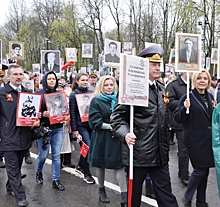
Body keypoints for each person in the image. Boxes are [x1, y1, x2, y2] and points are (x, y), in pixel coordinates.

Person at [110, 45, 178, 207]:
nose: (158, 68)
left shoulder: (162, 89)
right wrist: (125, 133)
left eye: (159, 64)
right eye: (153, 64)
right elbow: (117, 118)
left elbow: (166, 117)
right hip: (138, 154)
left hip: (160, 154)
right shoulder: (131, 89)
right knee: (133, 198)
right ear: (144, 66)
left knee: (166, 196)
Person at [0, 64, 41, 206]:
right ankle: (21, 197)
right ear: (8, 76)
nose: (18, 77)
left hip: (24, 136)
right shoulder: (2, 93)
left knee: (17, 166)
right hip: (8, 136)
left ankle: (10, 186)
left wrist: (37, 115)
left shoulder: (28, 92)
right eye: (15, 74)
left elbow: (33, 113)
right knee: (12, 167)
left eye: (20, 74)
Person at [174, 69, 215, 207]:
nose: (202, 80)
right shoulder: (188, 97)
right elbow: (177, 117)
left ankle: (201, 201)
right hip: (195, 140)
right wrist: (185, 108)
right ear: (194, 81)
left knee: (205, 171)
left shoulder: (210, 96)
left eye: (205, 78)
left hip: (208, 140)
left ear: (208, 81)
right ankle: (188, 196)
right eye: (199, 78)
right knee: (200, 170)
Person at [88, 75, 127, 205]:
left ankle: (124, 194)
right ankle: (101, 190)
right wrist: (113, 126)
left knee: (119, 166)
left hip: (116, 138)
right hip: (102, 137)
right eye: (106, 85)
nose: (109, 87)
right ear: (101, 86)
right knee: (100, 165)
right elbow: (94, 122)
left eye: (111, 85)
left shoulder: (119, 99)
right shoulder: (96, 101)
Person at [35, 71, 65, 191]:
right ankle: (38, 171)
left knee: (56, 155)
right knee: (43, 155)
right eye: (49, 79)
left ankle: (55, 180)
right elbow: (33, 111)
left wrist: (65, 116)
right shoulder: (38, 94)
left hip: (57, 128)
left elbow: (63, 110)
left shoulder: (60, 94)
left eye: (54, 79)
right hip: (44, 129)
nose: (52, 80)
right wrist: (43, 114)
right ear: (45, 80)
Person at [69, 72, 95, 184]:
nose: (85, 82)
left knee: (88, 148)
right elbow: (73, 114)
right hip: (81, 126)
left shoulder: (92, 93)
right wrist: (75, 130)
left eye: (86, 80)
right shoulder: (73, 95)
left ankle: (80, 165)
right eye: (82, 80)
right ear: (77, 81)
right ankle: (86, 173)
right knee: (87, 147)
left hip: (91, 125)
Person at [166, 72, 191, 186]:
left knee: (189, 148)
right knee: (183, 149)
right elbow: (167, 101)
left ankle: (186, 171)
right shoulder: (173, 85)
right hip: (179, 122)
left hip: (191, 122)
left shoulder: (192, 84)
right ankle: (184, 175)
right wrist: (183, 103)